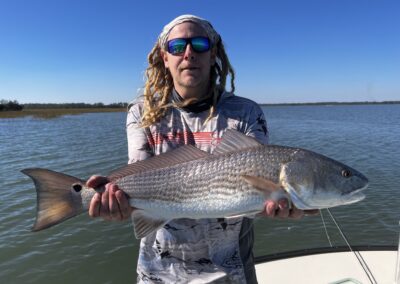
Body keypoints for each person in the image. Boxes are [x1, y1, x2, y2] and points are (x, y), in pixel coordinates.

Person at [87, 15, 316, 283]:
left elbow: (262, 185)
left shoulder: (246, 112)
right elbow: (138, 176)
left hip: (231, 273)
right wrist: (117, 203)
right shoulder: (141, 112)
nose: (188, 54)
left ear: (213, 54)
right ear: (165, 57)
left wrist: (299, 203)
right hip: (158, 273)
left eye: (199, 44)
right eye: (177, 47)